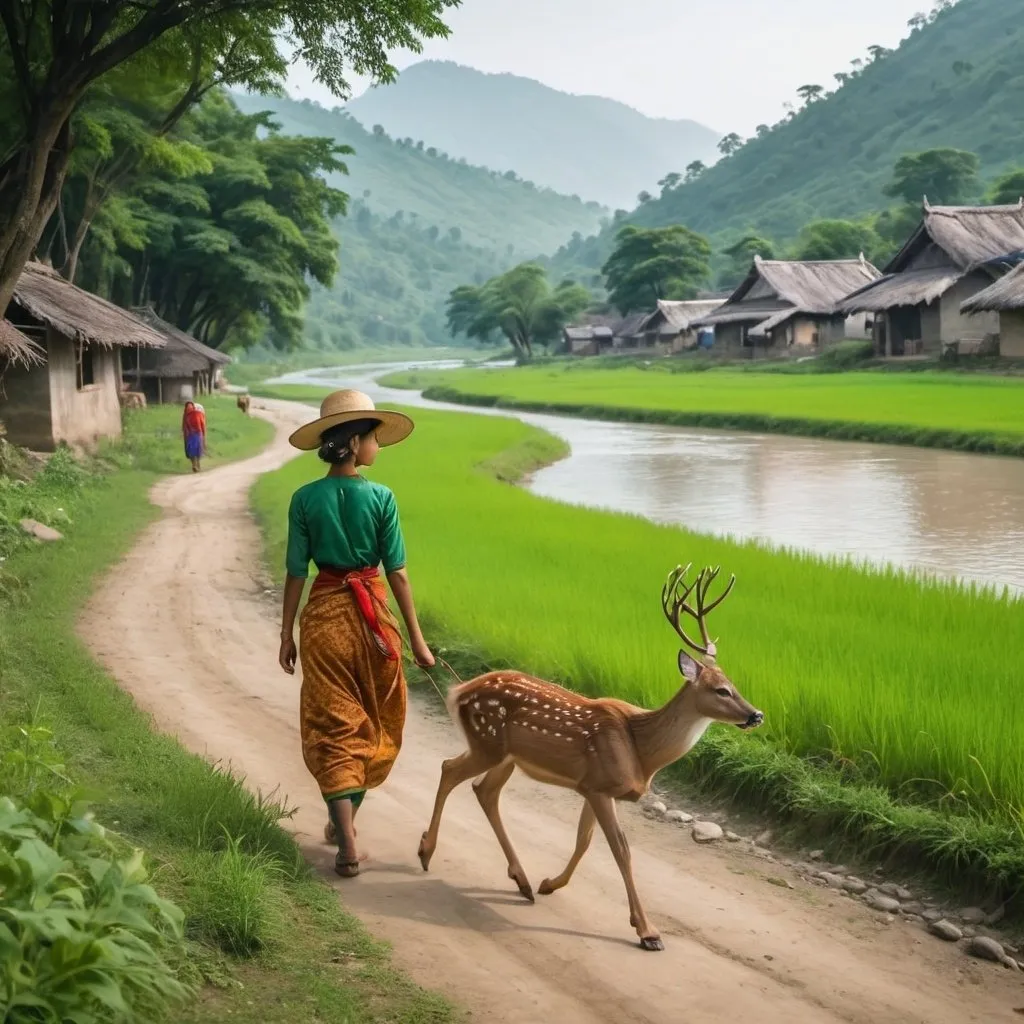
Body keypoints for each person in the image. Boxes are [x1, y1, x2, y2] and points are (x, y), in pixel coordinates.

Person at [278, 389, 434, 878]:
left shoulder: (305, 499)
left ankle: (343, 835)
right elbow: (399, 575)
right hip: (375, 626)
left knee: (334, 726)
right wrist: (418, 638)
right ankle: (345, 826)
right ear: (354, 443)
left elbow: (296, 574)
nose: (378, 447)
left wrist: (286, 634)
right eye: (373, 438)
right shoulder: (381, 497)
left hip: (323, 621)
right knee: (373, 720)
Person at [181, 400, 206, 473]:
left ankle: (197, 464)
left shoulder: (198, 413)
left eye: (190, 406)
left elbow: (202, 424)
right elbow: (184, 425)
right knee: (191, 450)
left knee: (197, 450)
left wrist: (204, 435)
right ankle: (194, 465)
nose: (189, 408)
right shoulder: (185, 415)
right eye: (187, 407)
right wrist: (184, 434)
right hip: (190, 435)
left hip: (198, 434)